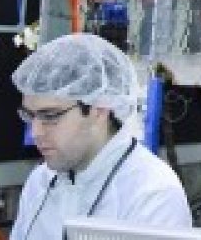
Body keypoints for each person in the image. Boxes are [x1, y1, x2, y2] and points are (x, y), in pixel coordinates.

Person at [10, 33, 191, 240]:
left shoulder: (152, 194)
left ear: (99, 109)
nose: (35, 132)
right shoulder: (40, 182)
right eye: (30, 116)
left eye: (50, 116)